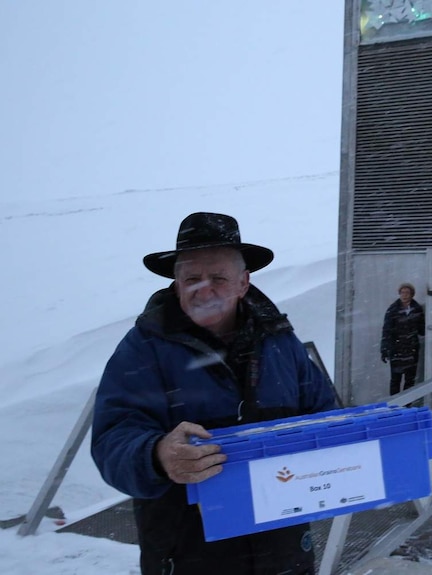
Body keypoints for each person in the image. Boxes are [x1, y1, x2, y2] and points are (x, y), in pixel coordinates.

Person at [91, 212, 337, 575]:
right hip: (189, 556)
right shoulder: (144, 348)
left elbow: (325, 415)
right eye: (191, 277)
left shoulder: (282, 342)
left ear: (243, 283)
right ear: (176, 284)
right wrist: (157, 454)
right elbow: (113, 440)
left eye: (218, 277)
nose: (203, 288)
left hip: (284, 552)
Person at [380, 282, 425, 396]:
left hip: (411, 349)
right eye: (402, 292)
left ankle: (407, 405)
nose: (404, 295)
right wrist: (384, 348)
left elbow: (421, 328)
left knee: (410, 379)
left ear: (412, 294)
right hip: (397, 349)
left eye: (407, 292)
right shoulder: (393, 310)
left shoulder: (416, 309)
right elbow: (386, 330)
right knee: (396, 379)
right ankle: (395, 404)